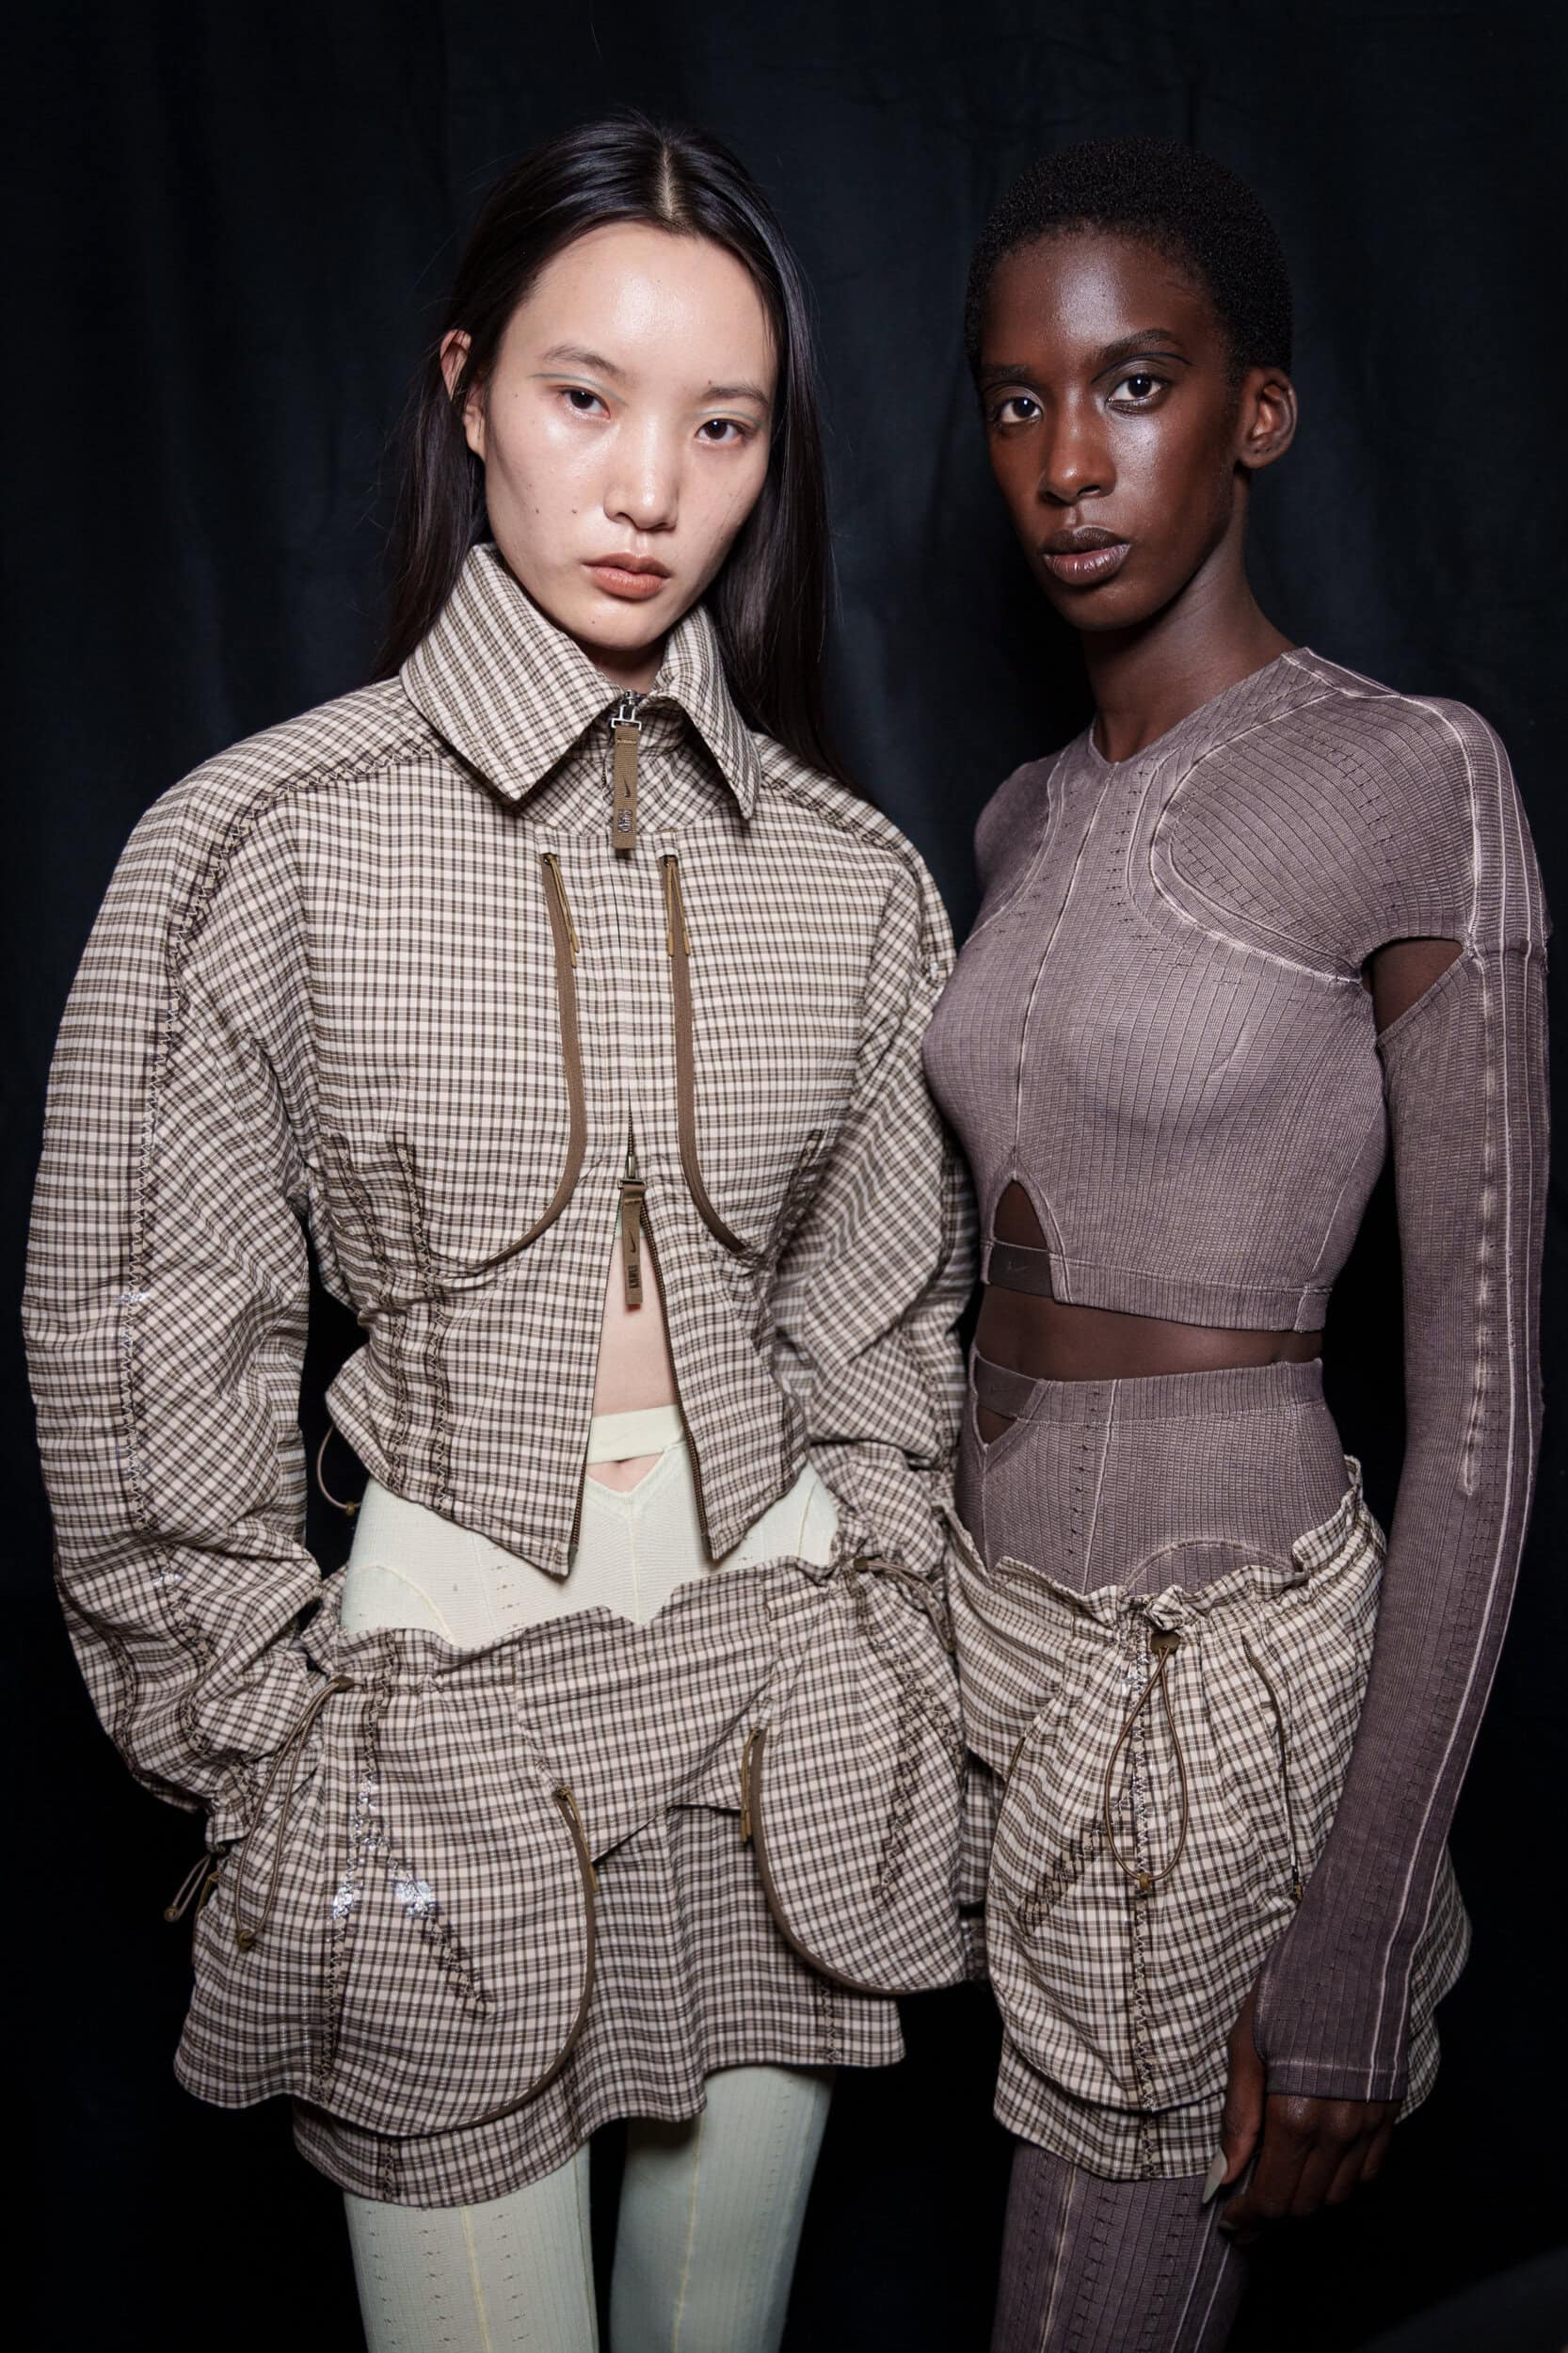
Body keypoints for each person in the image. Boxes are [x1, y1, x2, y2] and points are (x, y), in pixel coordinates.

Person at [24, 116, 975, 2353]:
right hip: (427, 1692)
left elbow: (887, 1319)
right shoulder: (257, 842)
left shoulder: (852, 879)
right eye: (583, 395)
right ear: (465, 390)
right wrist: (262, 1739)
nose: (647, 486)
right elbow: (143, 1328)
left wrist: (886, 1620)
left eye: (721, 426)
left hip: (779, 1669)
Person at [922, 136, 1547, 2352]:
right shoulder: (1016, 813)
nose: (1064, 461)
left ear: (1253, 410)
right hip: (993, 1658)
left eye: (1133, 383)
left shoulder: (1410, 775)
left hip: (1214, 1680)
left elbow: (1481, 1403)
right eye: (1014, 401)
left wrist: (1355, 1937)